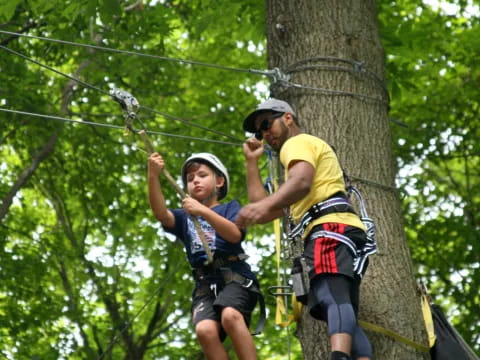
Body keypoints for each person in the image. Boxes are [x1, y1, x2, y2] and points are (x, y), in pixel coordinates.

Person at [236, 98, 373, 360]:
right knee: (339, 301)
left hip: (328, 228)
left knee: (329, 292)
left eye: (267, 123)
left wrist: (262, 206)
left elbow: (300, 183)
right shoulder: (296, 165)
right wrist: (252, 162)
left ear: (288, 118)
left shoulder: (297, 144)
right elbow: (264, 208)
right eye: (259, 131)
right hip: (342, 229)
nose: (265, 133)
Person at [148, 151, 259, 360]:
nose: (195, 181)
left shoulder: (229, 208)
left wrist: (203, 211)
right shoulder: (183, 217)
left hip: (234, 275)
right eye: (190, 179)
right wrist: (153, 175)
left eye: (202, 175)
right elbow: (161, 213)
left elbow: (235, 235)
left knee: (230, 315)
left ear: (219, 181)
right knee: (205, 331)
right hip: (205, 282)